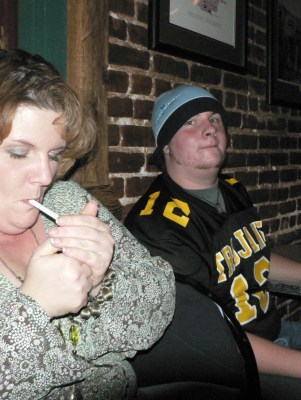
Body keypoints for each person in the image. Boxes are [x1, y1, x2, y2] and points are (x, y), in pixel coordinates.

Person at [124, 84, 301, 400]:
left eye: (214, 119)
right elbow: (206, 341)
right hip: (227, 364)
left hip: (274, 334)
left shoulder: (231, 188)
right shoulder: (157, 226)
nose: (209, 129)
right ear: (166, 147)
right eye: (190, 122)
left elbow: (255, 255)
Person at [0, 48, 175, 399]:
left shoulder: (68, 202)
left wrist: (101, 282)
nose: (46, 175)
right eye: (19, 153)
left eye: (54, 155)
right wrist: (35, 308)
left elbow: (160, 300)